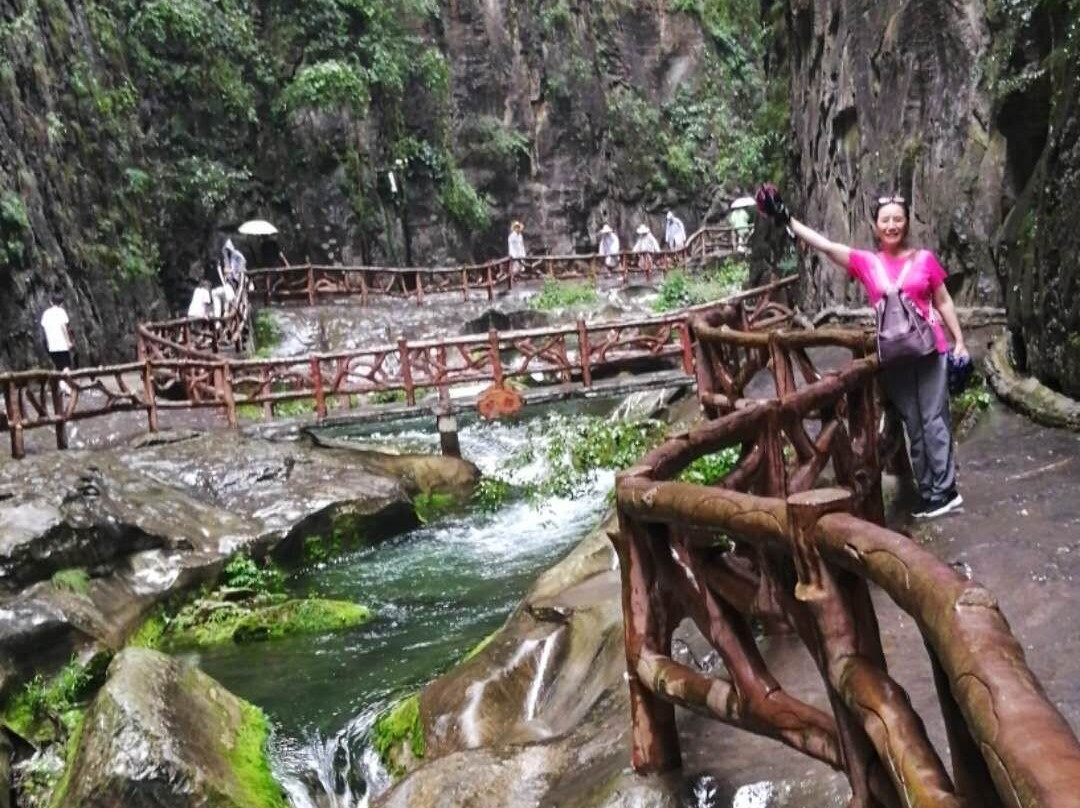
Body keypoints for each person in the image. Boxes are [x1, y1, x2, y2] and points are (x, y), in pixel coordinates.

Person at [756, 185, 967, 519]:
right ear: (875, 226)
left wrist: (959, 341)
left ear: (907, 224)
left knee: (933, 421)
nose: (892, 225)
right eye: (886, 220)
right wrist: (786, 218)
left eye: (898, 219)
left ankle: (946, 491)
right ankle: (929, 492)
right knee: (914, 423)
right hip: (896, 357)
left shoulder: (924, 260)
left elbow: (943, 300)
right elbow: (825, 245)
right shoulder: (867, 263)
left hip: (930, 350)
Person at [41, 293, 75, 371]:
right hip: (62, 344)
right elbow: (63, 326)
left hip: (52, 344)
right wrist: (68, 341)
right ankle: (65, 382)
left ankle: (62, 383)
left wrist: (48, 343)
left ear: (51, 302)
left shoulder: (46, 313)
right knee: (66, 365)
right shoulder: (61, 312)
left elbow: (44, 329)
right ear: (61, 303)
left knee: (58, 366)